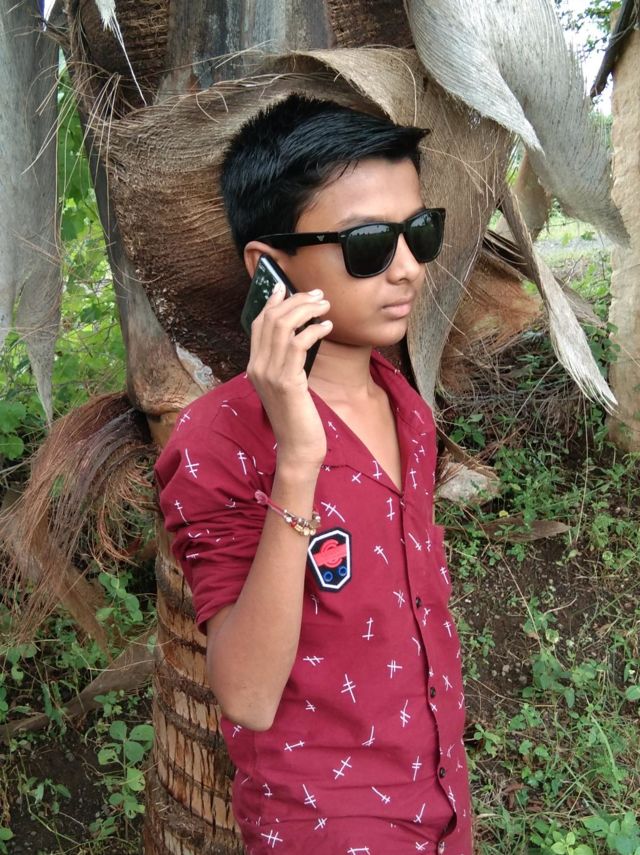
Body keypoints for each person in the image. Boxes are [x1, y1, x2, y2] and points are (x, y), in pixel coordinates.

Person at [155, 94, 472, 854]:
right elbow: (246, 693)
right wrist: (298, 460)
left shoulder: (405, 407)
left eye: (420, 232)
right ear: (269, 268)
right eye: (369, 244)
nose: (408, 268)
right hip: (327, 822)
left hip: (441, 796)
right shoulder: (218, 439)